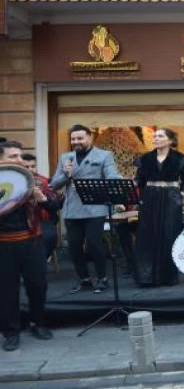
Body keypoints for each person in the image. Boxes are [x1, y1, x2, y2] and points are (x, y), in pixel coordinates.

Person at [51, 124, 122, 294]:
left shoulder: (104, 155)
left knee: (94, 244)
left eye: (80, 138)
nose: (76, 142)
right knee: (74, 246)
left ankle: (102, 278)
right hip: (72, 209)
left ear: (90, 138)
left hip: (95, 207)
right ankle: (84, 279)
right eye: (73, 139)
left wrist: (117, 191)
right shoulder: (65, 158)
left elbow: (112, 177)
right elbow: (54, 184)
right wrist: (66, 175)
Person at [1, 141, 56, 352]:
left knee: (38, 285)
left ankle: (37, 323)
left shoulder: (33, 181)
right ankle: (11, 332)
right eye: (13, 156)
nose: (19, 160)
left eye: (20, 155)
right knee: (7, 291)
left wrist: (43, 199)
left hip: (32, 240)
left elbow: (53, 208)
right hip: (4, 244)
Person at [133, 128, 184, 287]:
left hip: (171, 198)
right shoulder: (145, 158)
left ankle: (168, 277)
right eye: (154, 136)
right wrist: (131, 185)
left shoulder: (180, 158)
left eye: (160, 136)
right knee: (148, 234)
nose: (155, 138)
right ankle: (147, 277)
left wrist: (182, 194)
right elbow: (139, 179)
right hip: (150, 197)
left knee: (169, 233)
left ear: (170, 140)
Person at [21, 153, 59, 262]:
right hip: (20, 220)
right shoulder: (15, 182)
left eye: (33, 166)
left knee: (48, 236)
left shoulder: (45, 181)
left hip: (43, 220)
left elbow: (55, 206)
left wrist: (44, 200)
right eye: (26, 167)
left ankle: (39, 263)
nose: (30, 169)